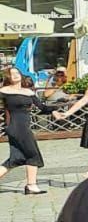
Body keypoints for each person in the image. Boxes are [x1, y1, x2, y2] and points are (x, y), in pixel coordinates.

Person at [1, 66, 52, 195]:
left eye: (17, 73)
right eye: (12, 74)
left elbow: (43, 108)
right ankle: (31, 185)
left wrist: (56, 112)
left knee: (16, 158)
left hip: (24, 126)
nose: (16, 75)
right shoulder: (4, 91)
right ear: (8, 77)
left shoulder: (28, 92)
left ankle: (31, 186)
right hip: (16, 127)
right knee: (33, 154)